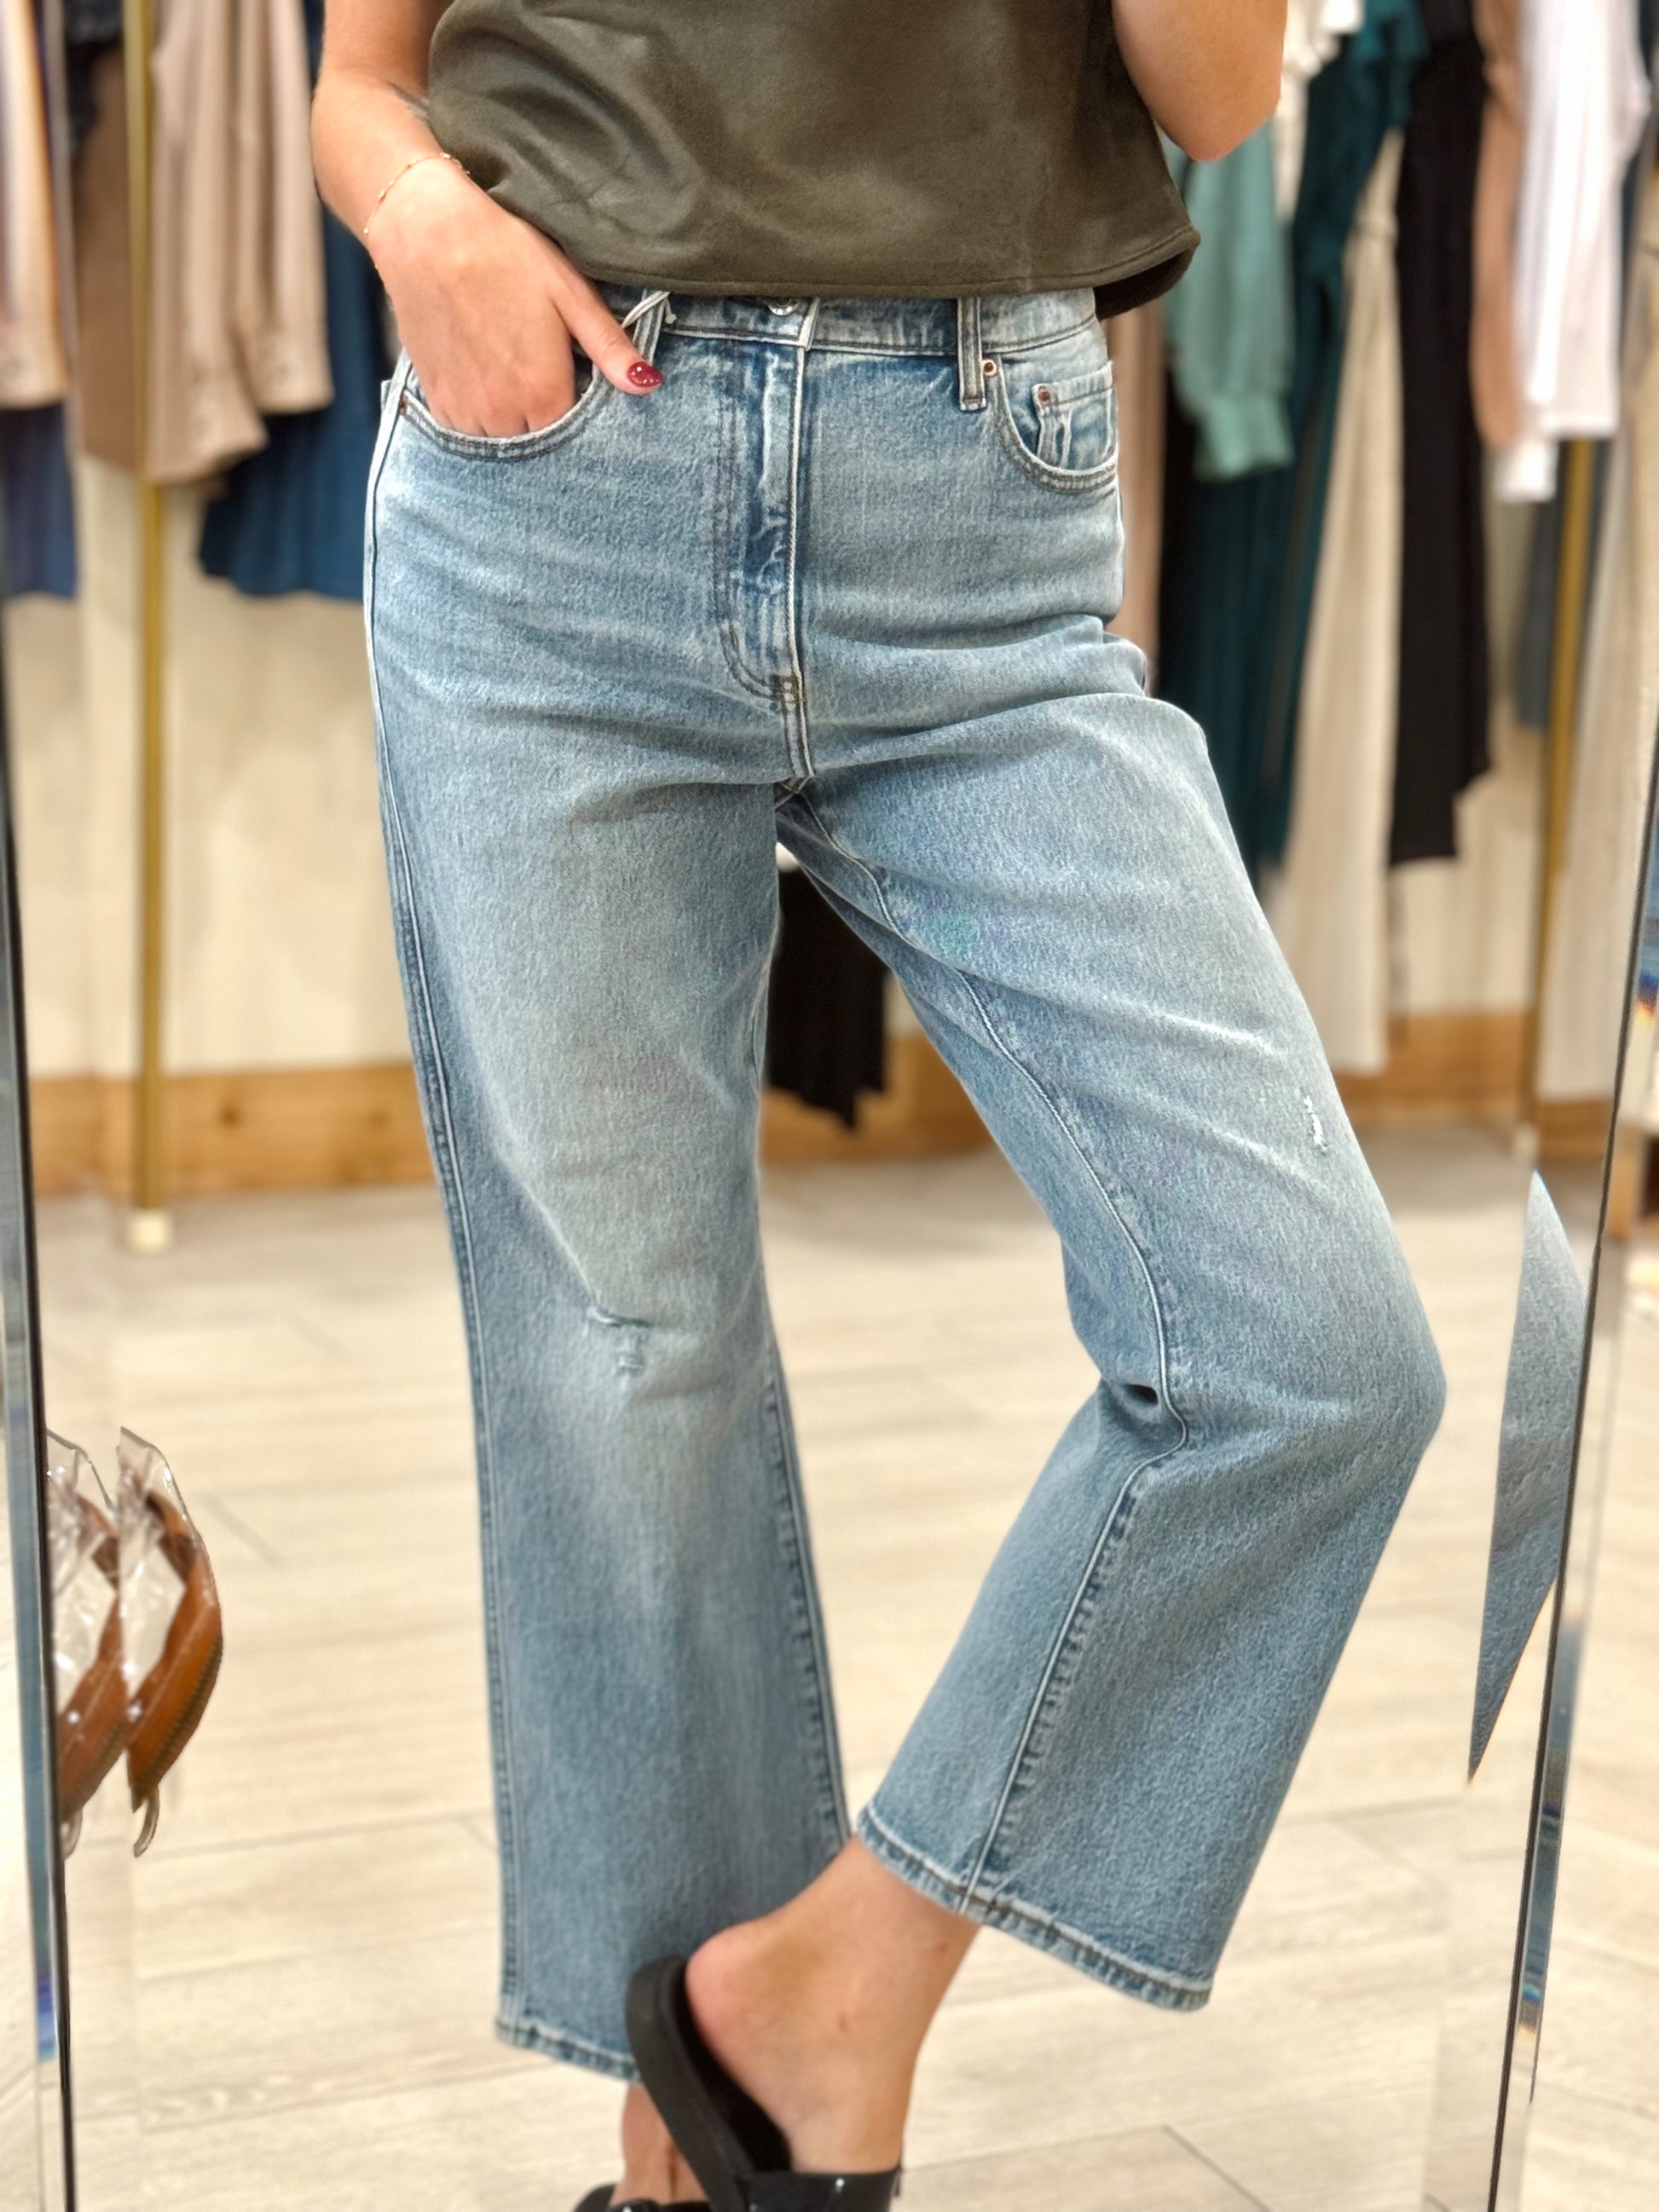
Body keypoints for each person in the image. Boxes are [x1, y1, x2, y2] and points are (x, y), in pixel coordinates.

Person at [311, 6, 1445, 2203]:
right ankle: (717, 2152)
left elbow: (1221, 100)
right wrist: (428, 222)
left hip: (979, 501)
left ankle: (830, 1991)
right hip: (558, 484)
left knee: (1309, 1346)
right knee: (628, 1371)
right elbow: (364, 87)